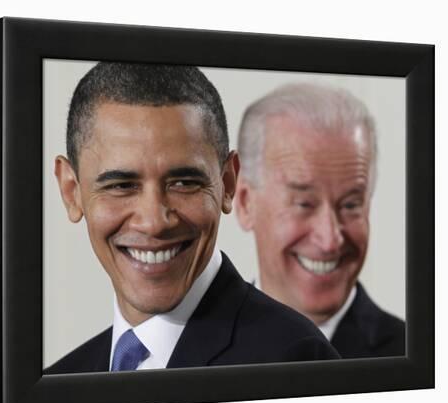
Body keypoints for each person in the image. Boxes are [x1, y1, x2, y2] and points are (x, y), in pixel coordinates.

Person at [45, 63, 339, 374]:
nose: (154, 221)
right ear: (71, 190)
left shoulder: (295, 363)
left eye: (183, 183)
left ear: (227, 183)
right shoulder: (58, 381)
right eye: (121, 186)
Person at [235, 83, 405, 359]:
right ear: (244, 203)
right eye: (304, 204)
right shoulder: (186, 351)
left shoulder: (426, 359)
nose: (330, 240)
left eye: (350, 205)